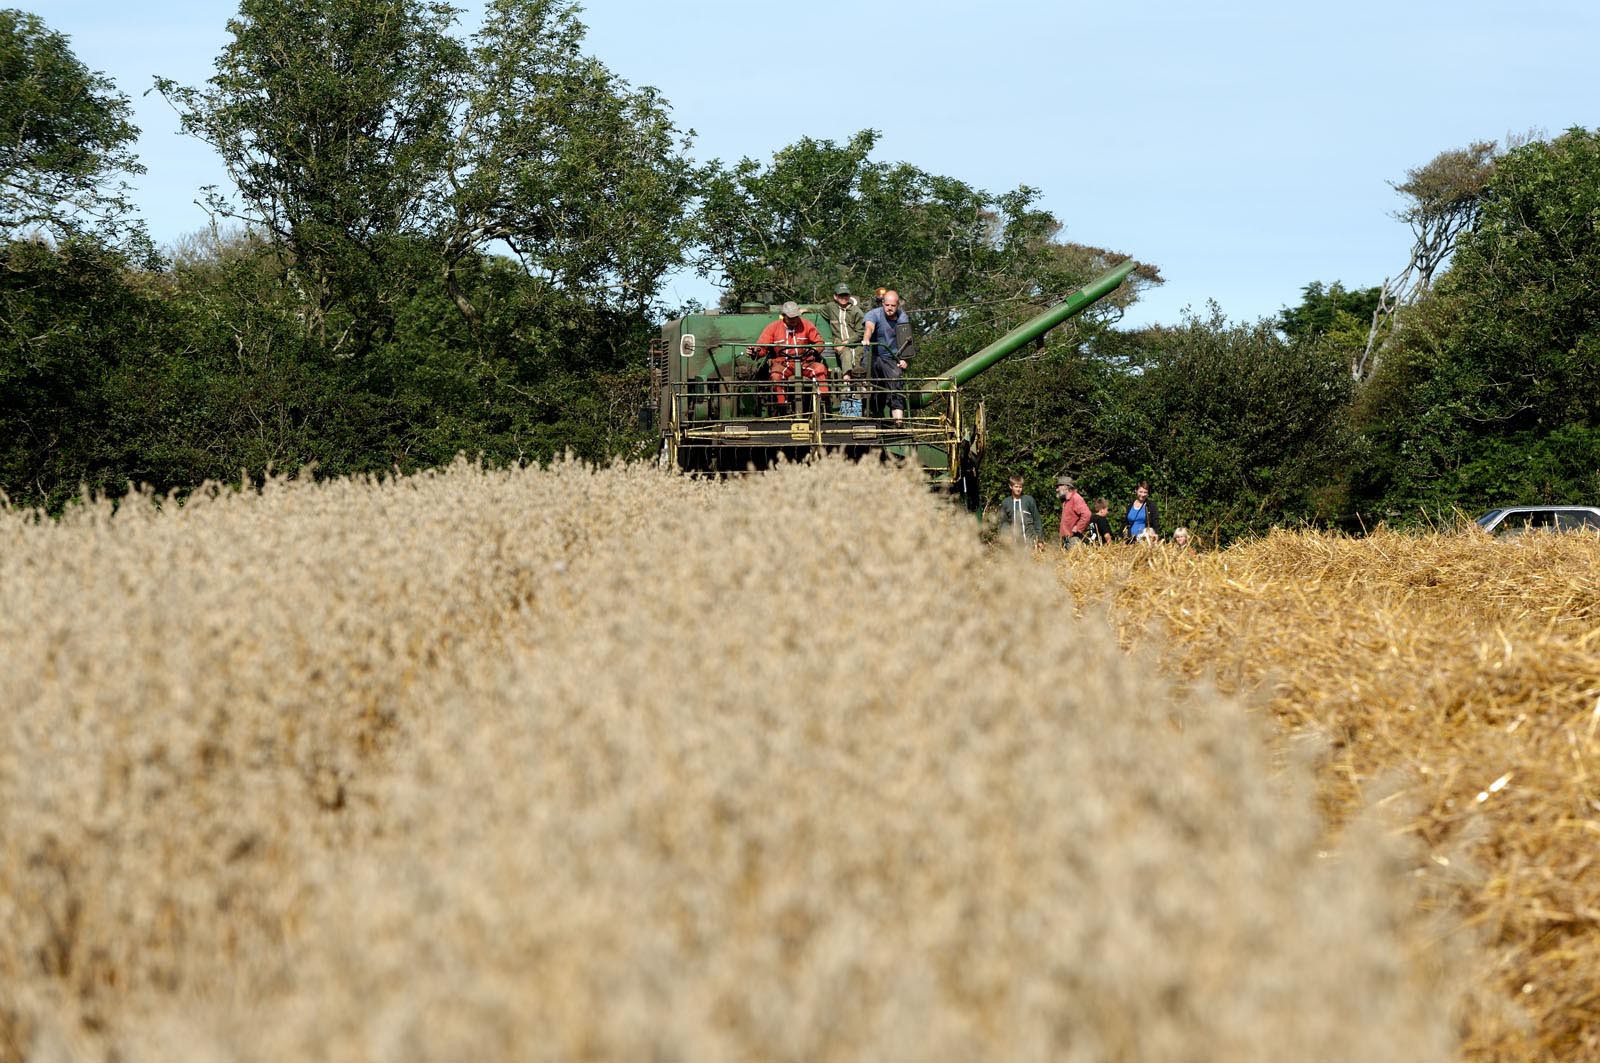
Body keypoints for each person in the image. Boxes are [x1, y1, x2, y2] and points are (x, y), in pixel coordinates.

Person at [752, 301, 826, 409]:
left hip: (805, 363)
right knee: (776, 375)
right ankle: (782, 406)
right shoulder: (773, 327)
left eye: (796, 317)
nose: (794, 320)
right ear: (783, 316)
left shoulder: (806, 324)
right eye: (791, 318)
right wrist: (755, 351)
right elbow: (762, 347)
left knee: (820, 369)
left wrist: (814, 351)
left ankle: (822, 404)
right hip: (783, 363)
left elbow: (819, 343)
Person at [862, 289, 911, 420]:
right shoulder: (873, 314)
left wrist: (904, 359)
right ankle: (865, 415)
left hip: (890, 357)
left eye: (893, 306)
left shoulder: (902, 317)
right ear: (883, 303)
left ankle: (898, 421)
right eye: (887, 305)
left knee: (896, 381)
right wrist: (866, 338)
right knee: (865, 382)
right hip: (872, 355)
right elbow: (869, 327)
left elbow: (905, 338)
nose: (889, 308)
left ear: (898, 305)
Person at [825, 282, 867, 380]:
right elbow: (817, 310)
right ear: (835, 296)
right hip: (838, 342)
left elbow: (861, 332)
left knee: (859, 357)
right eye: (841, 295)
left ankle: (861, 385)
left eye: (846, 295)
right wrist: (804, 310)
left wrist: (847, 342)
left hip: (855, 343)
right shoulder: (830, 307)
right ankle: (846, 380)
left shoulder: (856, 311)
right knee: (846, 352)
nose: (843, 297)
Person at [997, 475, 1041, 546]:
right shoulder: (1005, 503)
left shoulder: (1029, 500)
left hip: (1030, 542)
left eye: (1020, 487)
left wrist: (1040, 539)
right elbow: (1003, 523)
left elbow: (1037, 520)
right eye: (1016, 487)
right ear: (1011, 487)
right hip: (1013, 545)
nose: (1018, 489)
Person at [1056, 475, 1091, 549]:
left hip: (1074, 540)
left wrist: (1078, 527)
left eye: (1058, 486)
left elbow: (1087, 514)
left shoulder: (1076, 498)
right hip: (1066, 540)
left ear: (1066, 487)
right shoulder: (1066, 501)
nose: (1057, 490)